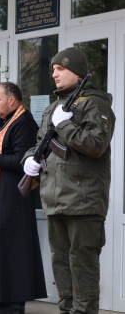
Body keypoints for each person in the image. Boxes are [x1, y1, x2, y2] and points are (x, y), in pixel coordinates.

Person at [23, 47, 115, 314]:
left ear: (77, 73)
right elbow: (39, 143)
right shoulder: (54, 107)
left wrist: (64, 124)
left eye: (60, 69)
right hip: (54, 196)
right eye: (53, 69)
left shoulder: (95, 103)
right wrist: (29, 160)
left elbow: (96, 144)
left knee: (82, 263)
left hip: (83, 199)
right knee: (61, 263)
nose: (54, 74)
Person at [0, 82, 47, 314]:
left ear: (11, 100)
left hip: (12, 197)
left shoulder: (23, 122)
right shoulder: (2, 123)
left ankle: (13, 302)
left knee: (11, 247)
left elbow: (21, 161)